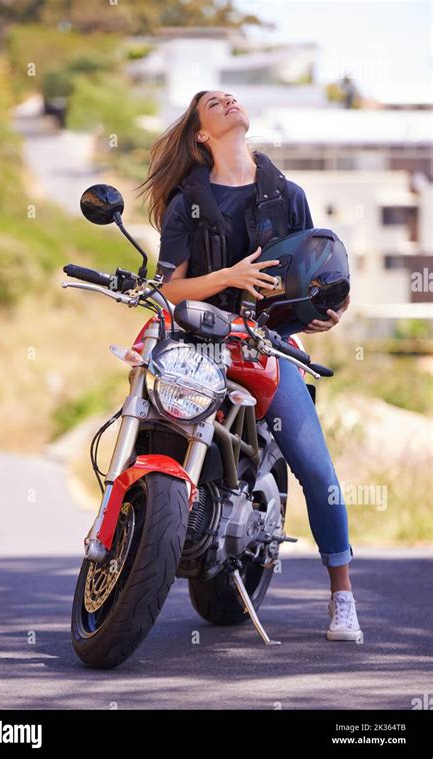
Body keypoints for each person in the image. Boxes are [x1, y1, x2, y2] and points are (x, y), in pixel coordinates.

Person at [137, 90, 362, 642]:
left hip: (267, 347)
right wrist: (229, 278)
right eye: (215, 102)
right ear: (201, 134)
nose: (229, 101)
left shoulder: (288, 195)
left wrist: (326, 311)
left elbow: (318, 272)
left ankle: (342, 596)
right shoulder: (184, 202)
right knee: (145, 415)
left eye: (231, 98)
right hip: (199, 342)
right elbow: (171, 288)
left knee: (317, 471)